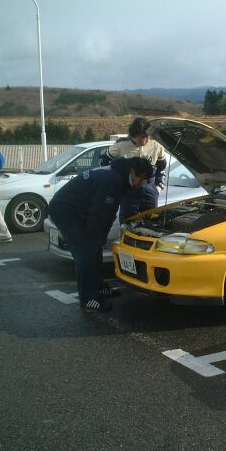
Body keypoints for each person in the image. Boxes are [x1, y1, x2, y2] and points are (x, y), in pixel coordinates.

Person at [48, 156, 152, 312]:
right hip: (64, 210)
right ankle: (88, 299)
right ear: (132, 171)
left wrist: (101, 239)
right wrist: (96, 237)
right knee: (85, 252)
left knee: (95, 249)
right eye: (140, 178)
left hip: (79, 210)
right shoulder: (113, 180)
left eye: (144, 180)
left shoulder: (121, 177)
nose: (140, 183)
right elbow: (99, 214)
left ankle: (98, 287)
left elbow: (109, 213)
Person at [99, 117, 167, 221]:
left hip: (150, 187)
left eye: (148, 136)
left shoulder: (156, 145)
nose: (147, 140)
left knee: (153, 221)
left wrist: (158, 187)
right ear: (134, 134)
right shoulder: (121, 144)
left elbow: (162, 167)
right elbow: (104, 161)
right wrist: (115, 184)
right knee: (128, 222)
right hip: (129, 189)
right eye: (143, 137)